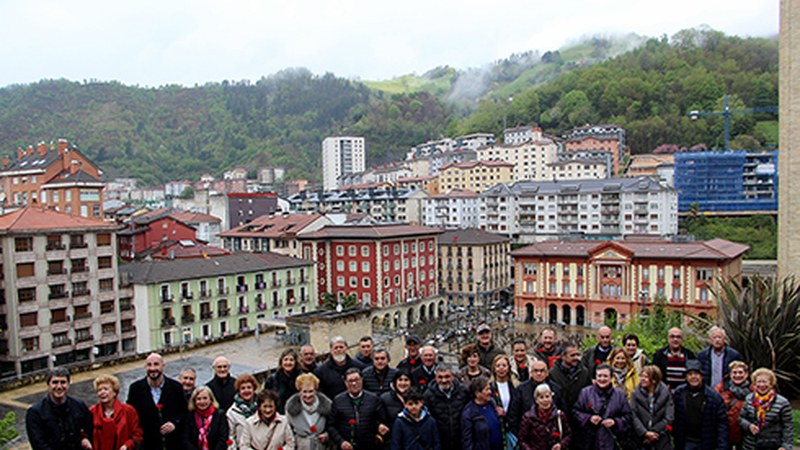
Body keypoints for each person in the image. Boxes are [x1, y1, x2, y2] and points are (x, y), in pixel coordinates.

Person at [127, 353, 187, 450]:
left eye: (156, 364)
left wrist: (174, 423)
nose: (152, 368)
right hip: (147, 444)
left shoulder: (176, 387)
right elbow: (130, 415)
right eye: (149, 365)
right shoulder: (135, 389)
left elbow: (184, 411)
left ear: (163, 366)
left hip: (172, 444)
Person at [26, 367, 93, 450]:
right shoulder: (35, 413)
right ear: (48, 385)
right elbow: (38, 444)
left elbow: (90, 430)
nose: (59, 386)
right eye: (55, 382)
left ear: (68, 384)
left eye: (63, 382)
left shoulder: (79, 406)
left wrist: (84, 438)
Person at [572, 364, 633, 450]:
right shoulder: (585, 393)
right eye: (599, 376)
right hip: (591, 442)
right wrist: (589, 418)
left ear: (611, 377)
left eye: (605, 376)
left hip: (612, 442)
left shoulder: (620, 395)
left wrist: (615, 422)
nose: (602, 379)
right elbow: (576, 412)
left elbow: (628, 417)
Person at [672, 360, 728, 450]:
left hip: (707, 441)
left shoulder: (713, 397)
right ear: (686, 377)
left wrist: (722, 446)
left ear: (702, 376)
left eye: (696, 374)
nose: (693, 377)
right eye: (690, 374)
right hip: (685, 441)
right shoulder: (679, 393)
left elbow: (722, 423)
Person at [328, 368, 390, 450]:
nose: (354, 383)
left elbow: (383, 420)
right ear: (345, 383)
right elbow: (331, 425)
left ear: (362, 380)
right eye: (350, 381)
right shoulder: (338, 401)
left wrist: (380, 428)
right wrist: (341, 441)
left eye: (356, 380)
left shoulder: (374, 399)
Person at [739, 368, 793, 450]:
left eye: (764, 382)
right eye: (759, 382)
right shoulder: (749, 399)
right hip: (751, 445)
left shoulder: (782, 402)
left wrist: (786, 446)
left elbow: (787, 426)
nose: (761, 385)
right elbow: (741, 418)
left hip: (773, 445)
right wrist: (749, 426)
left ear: (771, 384)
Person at [508, 359, 565, 433]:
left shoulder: (556, 389)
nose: (539, 373)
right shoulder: (521, 389)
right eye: (536, 371)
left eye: (542, 371)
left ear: (547, 373)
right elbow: (514, 413)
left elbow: (563, 411)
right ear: (531, 373)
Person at [89, 374, 143, 450]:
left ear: (114, 392)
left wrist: (127, 445)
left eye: (106, 389)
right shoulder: (92, 412)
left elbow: (137, 434)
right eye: (99, 390)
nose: (102, 392)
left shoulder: (128, 411)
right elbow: (85, 434)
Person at [424, 365, 471, 450]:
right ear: (435, 378)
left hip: (460, 441)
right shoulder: (428, 395)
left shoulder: (463, 391)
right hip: (440, 442)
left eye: (447, 376)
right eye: (440, 377)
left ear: (453, 377)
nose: (444, 380)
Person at [630, 365, 674, 450]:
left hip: (661, 437)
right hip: (640, 438)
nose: (642, 379)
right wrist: (645, 433)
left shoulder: (666, 393)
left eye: (646, 377)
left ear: (654, 380)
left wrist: (654, 433)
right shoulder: (635, 394)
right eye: (641, 376)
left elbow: (669, 417)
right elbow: (633, 415)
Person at [285, 373, 331, 450]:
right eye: (304, 391)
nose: (308, 395)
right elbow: (287, 430)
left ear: (315, 390)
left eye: (311, 391)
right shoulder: (290, 407)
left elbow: (332, 426)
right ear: (299, 391)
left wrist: (327, 435)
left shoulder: (326, 405)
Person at [518, 383, 571, 450]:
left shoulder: (560, 415)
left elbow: (568, 435)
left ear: (551, 398)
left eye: (547, 396)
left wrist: (561, 445)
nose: (545, 400)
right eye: (541, 397)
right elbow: (522, 440)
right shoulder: (528, 417)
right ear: (536, 400)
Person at [313, 336, 365, 400]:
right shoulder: (320, 371)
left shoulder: (359, 367)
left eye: (341, 347)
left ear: (346, 349)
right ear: (331, 350)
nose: (339, 350)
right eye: (336, 348)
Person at [714, 361, 752, 449]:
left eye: (740, 372)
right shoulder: (720, 389)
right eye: (734, 372)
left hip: (745, 433)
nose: (737, 375)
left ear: (746, 374)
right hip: (726, 432)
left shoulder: (753, 390)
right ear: (730, 374)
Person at [548, 343, 591, 419]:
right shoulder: (553, 374)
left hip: (580, 416)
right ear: (563, 356)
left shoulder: (584, 372)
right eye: (572, 355)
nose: (576, 358)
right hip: (560, 415)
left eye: (578, 355)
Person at [461, 376, 503, 450]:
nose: (490, 392)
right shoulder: (469, 413)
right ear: (477, 393)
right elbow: (467, 441)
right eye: (486, 390)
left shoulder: (492, 403)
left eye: (489, 389)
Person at [183, 386, 229, 450]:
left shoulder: (219, 415)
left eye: (205, 398)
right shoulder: (190, 416)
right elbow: (185, 439)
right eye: (199, 399)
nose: (202, 402)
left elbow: (223, 438)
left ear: (211, 399)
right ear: (194, 401)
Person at [226, 373, 260, 450]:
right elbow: (231, 436)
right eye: (243, 388)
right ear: (239, 391)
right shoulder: (232, 412)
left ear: (254, 389)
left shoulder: (262, 408)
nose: (246, 391)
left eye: (249, 387)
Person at [264, 349, 301, 413]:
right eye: (286, 360)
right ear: (281, 362)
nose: (288, 363)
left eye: (291, 360)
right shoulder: (272, 379)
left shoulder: (301, 378)